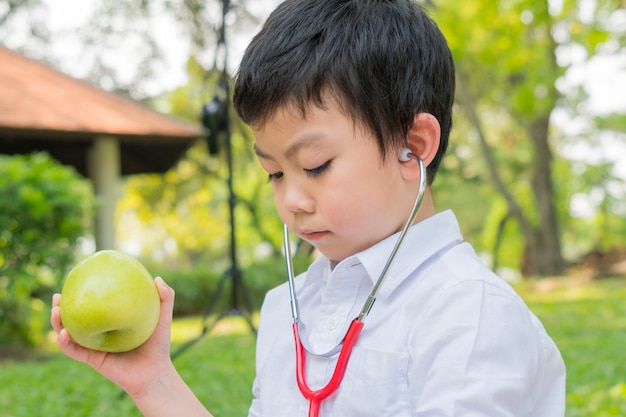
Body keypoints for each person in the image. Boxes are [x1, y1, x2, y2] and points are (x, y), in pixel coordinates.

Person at [50, 0, 566, 416]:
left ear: (414, 144)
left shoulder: (469, 315)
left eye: (315, 165)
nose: (290, 200)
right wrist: (155, 383)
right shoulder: (287, 309)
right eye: (274, 173)